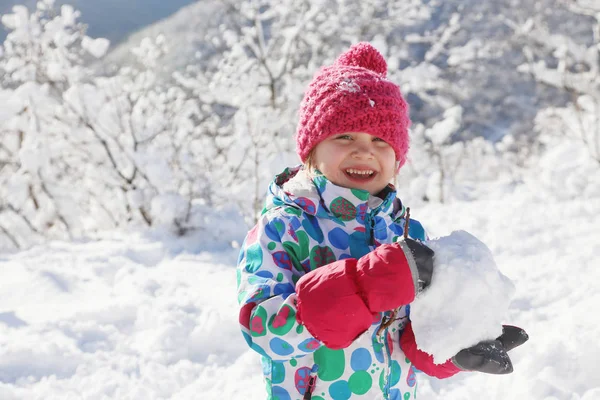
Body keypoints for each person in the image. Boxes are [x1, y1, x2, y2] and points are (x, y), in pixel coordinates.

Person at [237, 42, 528, 400]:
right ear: (311, 150)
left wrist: (454, 347)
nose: (364, 150)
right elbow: (263, 330)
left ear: (396, 159)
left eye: (380, 140)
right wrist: (363, 286)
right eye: (344, 136)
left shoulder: (406, 233)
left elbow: (411, 336)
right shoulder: (284, 228)